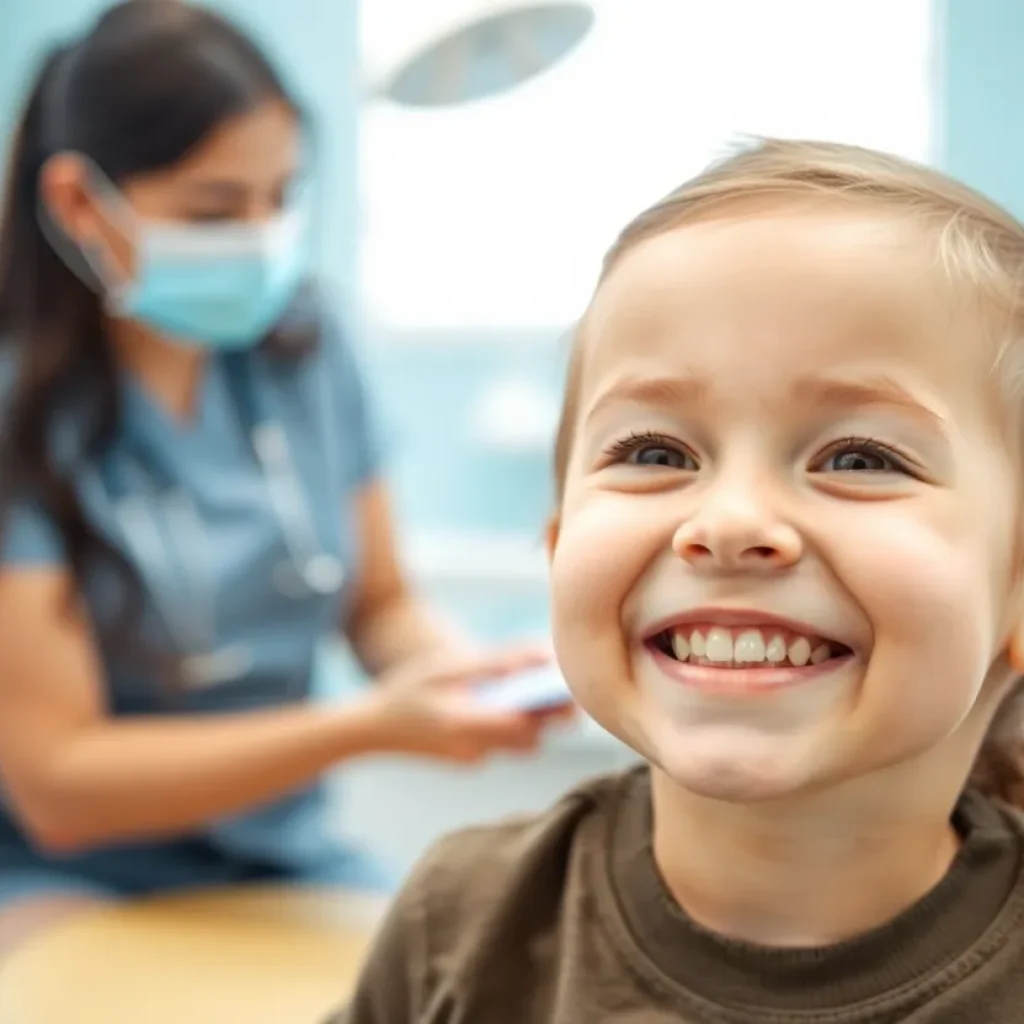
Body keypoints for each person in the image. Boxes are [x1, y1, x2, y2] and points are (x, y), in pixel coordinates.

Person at [337, 137, 1024, 1023]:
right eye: (656, 452)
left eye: (859, 456)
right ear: (557, 552)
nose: (730, 522)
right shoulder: (461, 924)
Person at [0, 0, 567, 955]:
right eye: (215, 209)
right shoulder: (22, 418)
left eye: (280, 197)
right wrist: (365, 727)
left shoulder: (307, 345)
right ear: (79, 204)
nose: (260, 238)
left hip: (283, 860)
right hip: (62, 880)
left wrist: (456, 674)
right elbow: (60, 787)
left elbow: (380, 602)